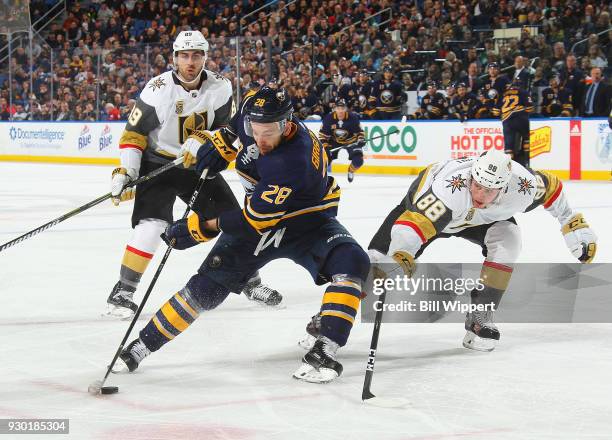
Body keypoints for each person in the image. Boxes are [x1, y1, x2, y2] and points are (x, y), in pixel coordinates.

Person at [112, 85, 370, 383]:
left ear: (287, 124)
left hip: (307, 223)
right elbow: (231, 132)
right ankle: (141, 346)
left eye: (269, 132)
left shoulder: (292, 161)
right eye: (255, 130)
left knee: (353, 264)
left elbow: (253, 222)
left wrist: (198, 229)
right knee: (203, 290)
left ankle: (325, 347)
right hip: (264, 216)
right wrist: (216, 147)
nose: (260, 139)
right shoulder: (252, 110)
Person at [107, 30, 283, 319]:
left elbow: (231, 129)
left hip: (198, 163)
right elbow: (134, 135)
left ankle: (250, 281)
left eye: (197, 55)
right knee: (151, 226)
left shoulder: (220, 87)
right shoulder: (157, 89)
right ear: (175, 57)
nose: (190, 61)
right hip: (157, 163)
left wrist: (205, 139)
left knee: (237, 221)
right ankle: (123, 290)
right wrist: (127, 171)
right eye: (185, 55)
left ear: (205, 56)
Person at [366, 149, 597, 351]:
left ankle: (480, 315)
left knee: (509, 238)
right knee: (375, 264)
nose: (480, 194)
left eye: (489, 191)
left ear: (505, 187)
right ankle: (335, 318)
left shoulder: (522, 187)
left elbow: (552, 188)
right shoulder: (450, 188)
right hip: (422, 213)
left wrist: (572, 223)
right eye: (477, 185)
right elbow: (416, 222)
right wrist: (401, 252)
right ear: (471, 176)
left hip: (479, 220)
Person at [318, 98, 366, 183]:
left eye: (342, 108)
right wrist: (326, 147)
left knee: (358, 160)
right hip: (334, 141)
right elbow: (322, 136)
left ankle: (351, 171)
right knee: (324, 160)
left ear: (346, 109)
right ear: (334, 108)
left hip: (351, 141)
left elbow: (360, 133)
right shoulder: (329, 118)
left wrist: (361, 140)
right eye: (338, 108)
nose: (340, 111)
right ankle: (320, 179)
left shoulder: (353, 118)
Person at [492, 79, 534, 167]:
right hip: (521, 117)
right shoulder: (523, 92)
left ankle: (509, 168)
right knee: (527, 138)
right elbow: (530, 108)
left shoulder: (502, 94)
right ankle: (527, 162)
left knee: (508, 147)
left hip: (507, 121)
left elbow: (495, 112)